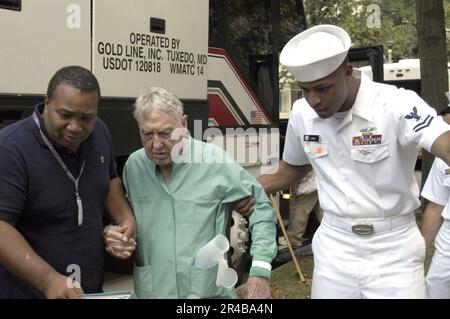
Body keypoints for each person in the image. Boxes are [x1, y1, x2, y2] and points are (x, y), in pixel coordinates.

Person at [237, 24, 450, 298]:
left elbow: (443, 142)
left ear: (347, 71)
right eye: (305, 90)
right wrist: (249, 187)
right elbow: (293, 168)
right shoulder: (302, 114)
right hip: (334, 248)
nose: (314, 100)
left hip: (393, 248)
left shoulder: (395, 104)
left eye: (323, 88)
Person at [103, 87, 277, 299]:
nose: (156, 144)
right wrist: (118, 235)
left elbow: (261, 208)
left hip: (206, 295)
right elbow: (133, 221)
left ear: (184, 124)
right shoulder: (134, 166)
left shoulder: (215, 162)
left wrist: (259, 270)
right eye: (147, 134)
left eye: (166, 133)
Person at [0, 66, 136, 298]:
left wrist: (125, 219)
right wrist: (47, 280)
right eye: (65, 115)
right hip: (30, 292)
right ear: (47, 103)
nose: (75, 127)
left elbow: (110, 179)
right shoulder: (11, 148)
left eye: (86, 118)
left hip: (89, 289)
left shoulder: (99, 133)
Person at [420, 106, 450, 298]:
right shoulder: (445, 153)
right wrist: (419, 251)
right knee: (436, 287)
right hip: (449, 237)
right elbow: (435, 205)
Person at [281, 169, 322, 250]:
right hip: (320, 183)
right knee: (323, 214)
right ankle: (335, 237)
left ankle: (294, 241)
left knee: (298, 213)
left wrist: (294, 183)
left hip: (306, 186)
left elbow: (298, 166)